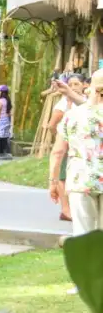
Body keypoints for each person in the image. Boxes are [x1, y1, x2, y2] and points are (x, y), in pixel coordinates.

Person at [50, 69, 103, 248]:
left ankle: (87, 274)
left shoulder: (73, 115)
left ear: (90, 89)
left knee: (83, 234)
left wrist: (53, 181)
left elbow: (57, 153)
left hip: (81, 181)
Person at [49, 74, 88, 221]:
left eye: (76, 84)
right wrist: (62, 138)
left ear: (85, 85)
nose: (73, 88)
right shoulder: (62, 104)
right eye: (70, 84)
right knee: (63, 176)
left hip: (83, 147)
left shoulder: (89, 101)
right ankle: (66, 210)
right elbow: (52, 125)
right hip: (68, 144)